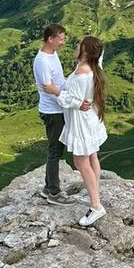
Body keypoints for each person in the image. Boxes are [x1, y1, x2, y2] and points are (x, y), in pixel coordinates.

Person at [41, 35, 108, 227]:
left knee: (81, 162)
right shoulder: (95, 67)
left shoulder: (81, 74)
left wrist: (55, 91)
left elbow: (72, 101)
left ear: (85, 52)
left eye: (79, 45)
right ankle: (94, 191)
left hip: (81, 123)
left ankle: (96, 206)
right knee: (93, 156)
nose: (75, 46)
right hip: (91, 120)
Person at [32, 22, 68, 203]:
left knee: (57, 149)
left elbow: (59, 82)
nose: (63, 42)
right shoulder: (43, 61)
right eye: (60, 39)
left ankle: (48, 187)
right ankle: (53, 192)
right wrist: (69, 101)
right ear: (50, 39)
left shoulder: (52, 55)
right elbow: (49, 89)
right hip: (53, 111)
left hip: (59, 108)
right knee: (55, 151)